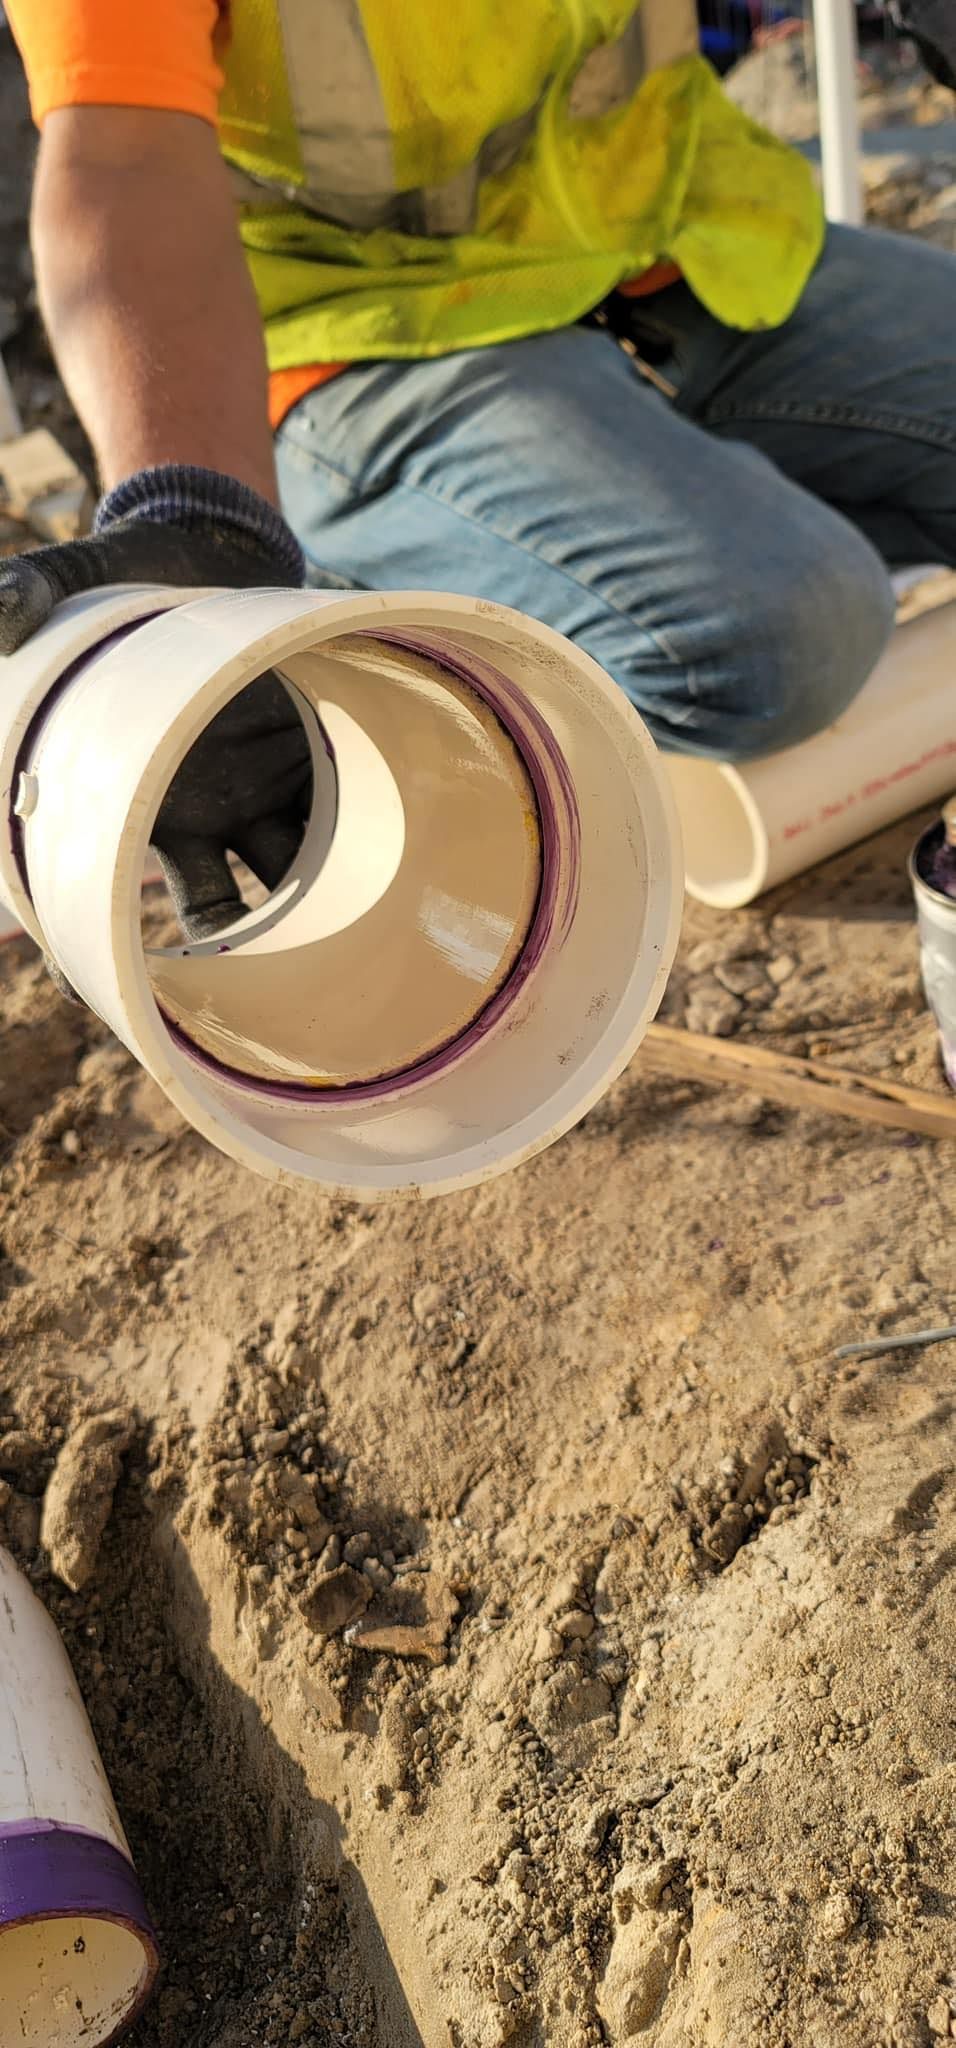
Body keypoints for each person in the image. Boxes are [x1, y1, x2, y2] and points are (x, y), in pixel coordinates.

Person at [2, 0, 955, 945]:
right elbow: (124, 149)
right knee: (785, 641)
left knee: (785, 587)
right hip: (363, 326)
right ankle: (354, 567)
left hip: (670, 234)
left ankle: (640, 525)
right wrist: (203, 516)